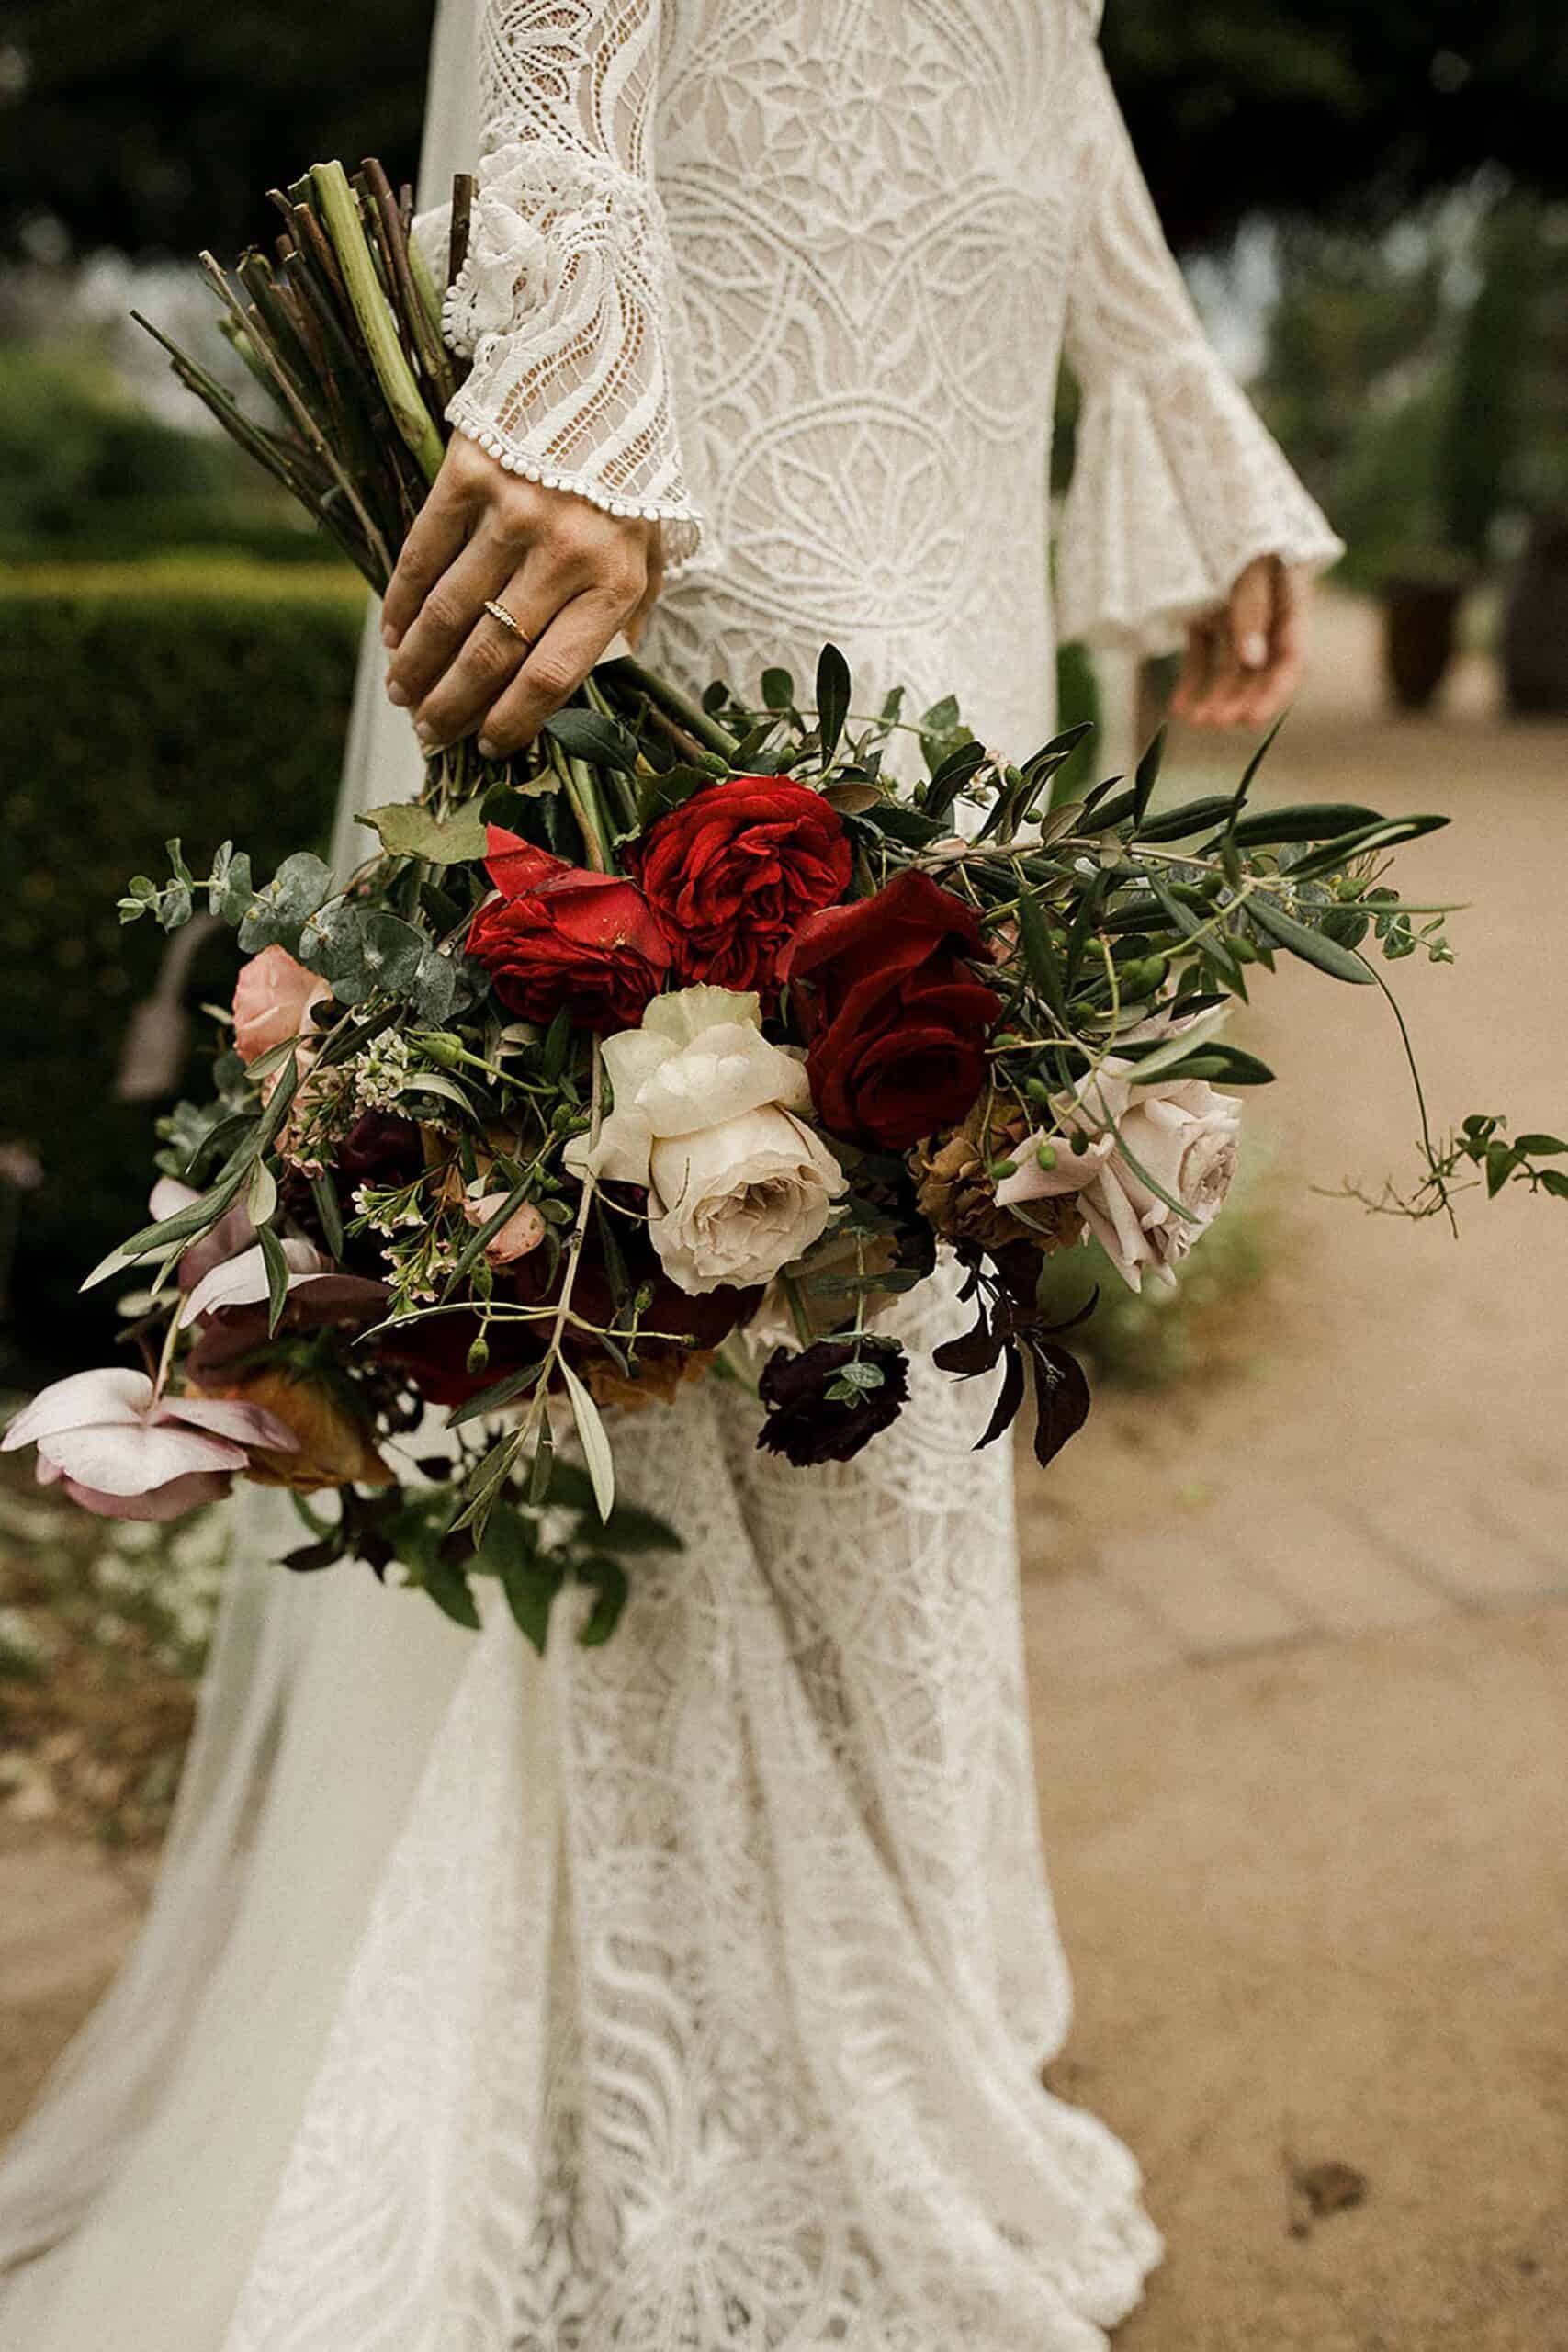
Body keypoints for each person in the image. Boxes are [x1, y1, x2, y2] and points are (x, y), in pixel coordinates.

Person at [0, 4, 1340, 2345]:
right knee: (711, 1210)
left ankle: (855, 2005)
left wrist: (1163, 379)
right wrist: (589, 281)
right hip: (731, 369)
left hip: (937, 379)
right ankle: (670, 2102)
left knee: (904, 1286)